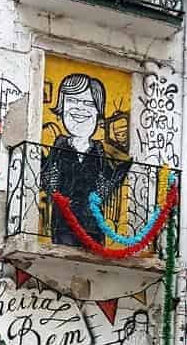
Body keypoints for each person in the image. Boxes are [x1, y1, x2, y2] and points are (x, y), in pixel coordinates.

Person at [41, 74, 132, 247]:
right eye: (73, 101)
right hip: (63, 225)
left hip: (93, 226)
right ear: (61, 108)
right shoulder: (59, 145)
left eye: (89, 103)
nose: (80, 109)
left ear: (98, 112)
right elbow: (50, 181)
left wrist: (119, 172)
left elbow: (104, 187)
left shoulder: (98, 150)